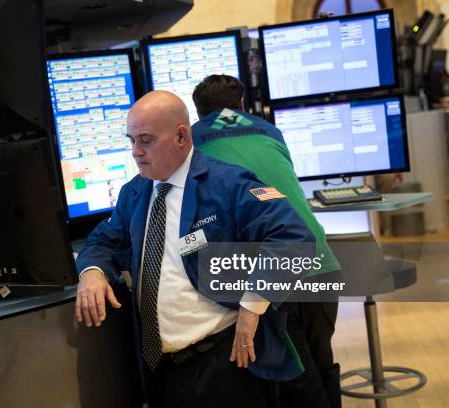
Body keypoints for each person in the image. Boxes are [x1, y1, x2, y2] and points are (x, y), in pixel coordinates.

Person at [75, 90, 317, 408]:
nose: (135, 152)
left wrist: (252, 306)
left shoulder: (227, 183)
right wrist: (92, 273)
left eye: (145, 140)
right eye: (131, 140)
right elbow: (103, 241)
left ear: (180, 136)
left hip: (222, 364)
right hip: (160, 369)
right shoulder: (134, 192)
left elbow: (295, 239)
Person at [191, 74, 342, 408]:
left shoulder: (193, 140)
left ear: (198, 112)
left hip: (276, 272)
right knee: (324, 363)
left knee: (299, 384)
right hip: (322, 261)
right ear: (242, 104)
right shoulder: (271, 130)